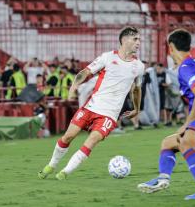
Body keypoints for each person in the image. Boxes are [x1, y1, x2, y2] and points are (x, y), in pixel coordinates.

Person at [38, 26, 145, 180]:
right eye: (135, 39)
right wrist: (74, 86)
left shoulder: (139, 67)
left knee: (92, 140)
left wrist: (137, 108)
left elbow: (136, 88)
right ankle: (51, 166)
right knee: (68, 136)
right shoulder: (107, 57)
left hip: (109, 115)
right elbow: (86, 72)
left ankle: (64, 172)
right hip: (91, 107)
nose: (138, 43)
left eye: (139, 39)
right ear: (124, 40)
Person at [137, 29, 195, 200]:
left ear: (171, 48)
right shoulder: (194, 63)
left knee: (186, 141)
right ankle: (162, 179)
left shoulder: (186, 68)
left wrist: (187, 123)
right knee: (167, 143)